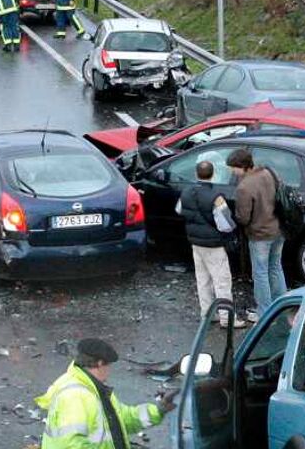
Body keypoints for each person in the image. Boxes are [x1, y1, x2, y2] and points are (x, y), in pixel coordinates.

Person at [35, 338, 175, 448]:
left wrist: (157, 410)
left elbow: (123, 419)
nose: (109, 371)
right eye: (109, 365)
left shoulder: (95, 389)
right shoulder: (75, 396)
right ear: (100, 363)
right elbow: (72, 444)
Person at [176, 160, 243, 328]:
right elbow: (226, 224)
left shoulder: (186, 192)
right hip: (214, 245)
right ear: (213, 174)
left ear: (196, 174)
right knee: (222, 282)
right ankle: (227, 319)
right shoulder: (216, 197)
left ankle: (207, 314)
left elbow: (179, 210)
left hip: (196, 244)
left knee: (203, 280)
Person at [227, 148, 286, 319]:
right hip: (278, 229)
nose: (232, 171)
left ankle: (264, 313)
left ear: (242, 166)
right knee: (276, 267)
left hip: (260, 235)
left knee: (260, 273)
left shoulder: (244, 187)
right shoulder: (268, 172)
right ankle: (282, 305)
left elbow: (243, 218)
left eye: (233, 168)